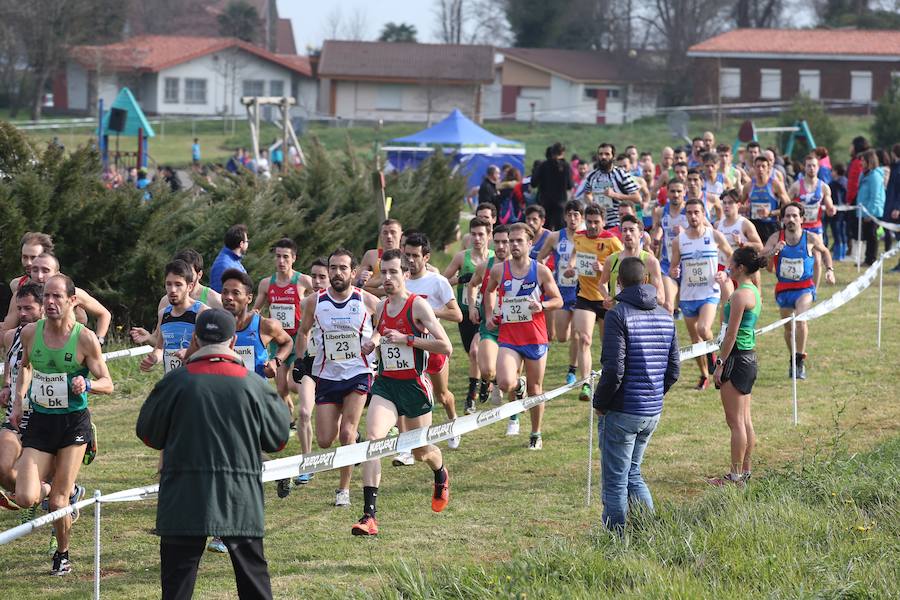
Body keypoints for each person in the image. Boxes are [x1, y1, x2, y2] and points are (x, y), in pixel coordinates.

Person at [136, 308, 290, 599]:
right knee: (254, 583)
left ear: (195, 338)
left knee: (177, 587)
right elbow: (278, 440)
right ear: (233, 342)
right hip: (240, 496)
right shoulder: (255, 385)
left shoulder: (173, 383)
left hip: (183, 496)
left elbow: (148, 435)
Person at [10, 274, 113, 575]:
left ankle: (63, 553)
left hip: (72, 425)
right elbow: (25, 365)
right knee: (24, 496)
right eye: (46, 297)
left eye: (57, 297)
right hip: (40, 422)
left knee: (57, 500)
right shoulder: (31, 332)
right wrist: (18, 400)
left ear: (72, 301)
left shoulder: (84, 338)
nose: (51, 302)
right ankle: (63, 492)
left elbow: (108, 382)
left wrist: (88, 384)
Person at [351, 249, 452, 536]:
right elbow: (381, 331)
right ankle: (369, 516)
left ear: (406, 275)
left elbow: (446, 346)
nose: (388, 278)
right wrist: (373, 341)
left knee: (421, 452)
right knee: (373, 440)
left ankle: (440, 471)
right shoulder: (381, 306)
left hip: (414, 387)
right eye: (384, 272)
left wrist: (409, 339)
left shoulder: (418, 306)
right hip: (386, 385)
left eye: (394, 272)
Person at [592, 257, 679, 532]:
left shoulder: (618, 314)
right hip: (651, 411)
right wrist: (655, 394)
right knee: (633, 473)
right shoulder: (666, 315)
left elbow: (614, 368)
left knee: (616, 481)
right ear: (646, 282)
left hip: (622, 411)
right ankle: (649, 531)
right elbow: (673, 369)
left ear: (618, 282)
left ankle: (614, 541)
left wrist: (600, 402)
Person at [293, 249, 378, 507]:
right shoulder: (313, 301)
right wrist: (301, 361)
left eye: (343, 268)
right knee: (324, 439)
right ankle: (352, 440)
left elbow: (384, 326)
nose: (337, 273)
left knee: (346, 434)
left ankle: (343, 490)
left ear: (353, 272)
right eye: (333, 268)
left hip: (358, 373)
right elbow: (303, 332)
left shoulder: (366, 299)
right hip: (327, 375)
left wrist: (374, 341)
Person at [484, 223, 563, 450]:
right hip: (509, 336)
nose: (514, 245)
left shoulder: (540, 271)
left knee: (536, 390)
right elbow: (488, 290)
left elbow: (558, 300)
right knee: (506, 382)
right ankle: (519, 384)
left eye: (519, 241)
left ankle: (536, 432)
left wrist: (542, 305)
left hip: (535, 337)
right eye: (511, 241)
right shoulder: (500, 270)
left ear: (530, 244)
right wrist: (490, 314)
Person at [708, 247, 766, 486]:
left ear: (740, 267)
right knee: (745, 420)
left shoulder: (742, 294)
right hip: (748, 357)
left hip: (736, 357)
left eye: (731, 263)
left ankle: (735, 476)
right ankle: (744, 471)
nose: (728, 266)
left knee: (736, 423)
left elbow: (730, 334)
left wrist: (719, 364)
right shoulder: (752, 291)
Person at [762, 202, 835, 379]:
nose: (791, 219)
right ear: (782, 220)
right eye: (787, 216)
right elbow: (762, 259)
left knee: (801, 320)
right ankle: (793, 357)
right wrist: (773, 252)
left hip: (804, 287)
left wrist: (830, 271)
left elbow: (825, 252)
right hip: (784, 288)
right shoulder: (775, 238)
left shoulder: (810, 238)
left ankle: (800, 360)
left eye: (795, 216)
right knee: (788, 329)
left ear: (802, 219)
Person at [403, 233, 463, 443]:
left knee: (442, 395)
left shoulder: (437, 282)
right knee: (408, 395)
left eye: (415, 256)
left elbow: (457, 315)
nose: (410, 260)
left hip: (434, 347)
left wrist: (430, 312)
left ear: (426, 257)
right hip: (408, 348)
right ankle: (410, 444)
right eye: (407, 255)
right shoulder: (401, 281)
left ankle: (452, 421)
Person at [669, 199, 734, 390]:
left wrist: (725, 272)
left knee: (704, 329)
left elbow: (731, 255)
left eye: (696, 212)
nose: (693, 216)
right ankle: (704, 375)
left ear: (704, 214)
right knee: (695, 341)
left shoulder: (713, 235)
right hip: (688, 295)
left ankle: (713, 358)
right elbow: (674, 266)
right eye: (689, 213)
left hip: (709, 292)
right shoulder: (679, 240)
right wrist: (674, 272)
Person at [562, 204, 623, 401]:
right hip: (585, 297)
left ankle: (607, 380)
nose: (592, 226)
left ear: (603, 222)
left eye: (596, 222)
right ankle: (586, 383)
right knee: (584, 339)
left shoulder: (612, 241)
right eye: (589, 221)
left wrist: (604, 266)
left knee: (608, 344)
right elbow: (574, 255)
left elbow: (625, 263)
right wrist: (571, 267)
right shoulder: (579, 237)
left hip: (606, 298)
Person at [252, 238, 314, 423]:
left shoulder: (302, 281)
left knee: (296, 382)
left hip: (298, 337)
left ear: (293, 258)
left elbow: (323, 296)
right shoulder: (266, 284)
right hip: (278, 340)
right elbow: (256, 310)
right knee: (280, 387)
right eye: (278, 256)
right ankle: (289, 419)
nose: (281, 261)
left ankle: (310, 395)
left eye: (285, 257)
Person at [444, 217, 494, 412]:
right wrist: (460, 279)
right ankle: (487, 379)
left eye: (481, 234)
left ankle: (471, 396)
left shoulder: (493, 258)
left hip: (486, 312)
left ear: (489, 236)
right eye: (473, 234)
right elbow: (443, 281)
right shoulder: (461, 257)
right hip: (465, 312)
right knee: (472, 354)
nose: (477, 238)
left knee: (475, 351)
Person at [288, 258, 329, 488]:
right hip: (311, 366)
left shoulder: (342, 302)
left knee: (335, 431)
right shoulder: (306, 303)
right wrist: (299, 361)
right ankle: (308, 463)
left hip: (334, 368)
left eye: (322, 277)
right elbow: (302, 334)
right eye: (314, 276)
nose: (317, 281)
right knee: (304, 412)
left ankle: (353, 443)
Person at [466, 225, 514, 422]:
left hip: (514, 327)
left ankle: (514, 420)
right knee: (486, 370)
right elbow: (472, 285)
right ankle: (493, 381)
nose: (501, 246)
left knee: (510, 378)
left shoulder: (522, 266)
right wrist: (471, 307)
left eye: (506, 242)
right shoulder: (485, 266)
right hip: (490, 326)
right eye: (498, 242)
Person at [536, 200, 584, 385]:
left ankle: (572, 370)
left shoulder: (587, 237)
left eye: (576, 215)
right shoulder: (555, 237)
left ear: (581, 217)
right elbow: (540, 258)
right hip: (562, 291)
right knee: (561, 336)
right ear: (564, 217)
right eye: (570, 215)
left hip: (581, 291)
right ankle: (574, 333)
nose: (573, 219)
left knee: (579, 335)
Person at [138, 260, 208, 375]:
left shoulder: (202, 312)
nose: (172, 290)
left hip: (196, 383)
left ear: (189, 287)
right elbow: (160, 348)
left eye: (178, 284)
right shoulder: (163, 314)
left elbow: (212, 349)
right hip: (172, 382)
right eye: (169, 284)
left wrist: (190, 352)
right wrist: (153, 359)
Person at [789, 154, 836, 285]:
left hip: (816, 226)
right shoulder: (796, 186)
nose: (811, 168)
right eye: (809, 165)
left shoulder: (823, 187)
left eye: (814, 165)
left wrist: (831, 209)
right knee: (798, 258)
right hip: (800, 227)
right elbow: (786, 204)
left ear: (818, 167)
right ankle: (798, 284)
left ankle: (813, 289)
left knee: (817, 257)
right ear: (804, 167)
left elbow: (829, 203)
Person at [599, 215, 664, 309]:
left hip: (642, 314)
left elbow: (661, 298)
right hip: (618, 314)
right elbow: (602, 283)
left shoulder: (651, 262)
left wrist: (636, 298)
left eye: (632, 230)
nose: (628, 233)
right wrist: (606, 297)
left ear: (641, 234)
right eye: (624, 230)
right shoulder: (611, 260)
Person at [578, 143, 641, 231]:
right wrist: (592, 203)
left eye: (607, 154)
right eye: (600, 154)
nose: (603, 157)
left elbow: (637, 198)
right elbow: (587, 194)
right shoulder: (592, 176)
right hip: (599, 225)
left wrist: (615, 195)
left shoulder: (622, 174)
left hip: (619, 223)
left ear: (613, 156)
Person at [1, 232, 54, 335]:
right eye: (25, 257)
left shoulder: (62, 286)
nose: (28, 263)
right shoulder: (17, 285)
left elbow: (86, 317)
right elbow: (9, 326)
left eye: (33, 257)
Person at [652, 179, 689, 315]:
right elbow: (657, 230)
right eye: (672, 191)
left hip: (689, 264)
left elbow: (707, 231)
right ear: (667, 192)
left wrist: (685, 233)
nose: (676, 194)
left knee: (689, 311)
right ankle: (669, 334)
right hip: (668, 263)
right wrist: (655, 240)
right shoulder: (661, 212)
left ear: (684, 192)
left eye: (679, 191)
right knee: (668, 304)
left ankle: (679, 309)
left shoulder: (692, 211)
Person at [743, 155, 790, 245]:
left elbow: (789, 206)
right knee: (756, 255)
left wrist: (771, 213)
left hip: (771, 224)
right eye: (758, 166)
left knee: (770, 254)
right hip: (754, 224)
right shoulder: (748, 186)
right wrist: (743, 208)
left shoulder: (775, 185)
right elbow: (739, 204)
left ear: (768, 168)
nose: (760, 169)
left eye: (763, 166)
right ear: (753, 168)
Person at [856, 149, 886, 266]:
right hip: (864, 211)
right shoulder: (864, 174)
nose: (861, 163)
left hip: (872, 212)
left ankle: (871, 260)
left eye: (863, 160)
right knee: (868, 236)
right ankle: (867, 259)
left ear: (870, 161)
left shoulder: (875, 176)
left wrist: (870, 214)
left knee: (872, 236)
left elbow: (875, 197)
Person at [358, 219, 403, 296]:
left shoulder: (408, 256)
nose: (389, 236)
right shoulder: (371, 255)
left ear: (401, 235)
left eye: (393, 232)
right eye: (385, 233)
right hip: (375, 302)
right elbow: (358, 285)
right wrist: (386, 292)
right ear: (380, 235)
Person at [533, 142, 573, 230]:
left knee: (545, 228)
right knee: (560, 227)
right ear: (563, 152)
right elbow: (570, 185)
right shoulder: (566, 166)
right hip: (560, 202)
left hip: (545, 202)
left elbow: (533, 183)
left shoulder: (543, 165)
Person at [209, 224, 249, 293]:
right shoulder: (224, 265)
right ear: (241, 244)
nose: (248, 244)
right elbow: (219, 294)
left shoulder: (233, 261)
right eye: (247, 242)